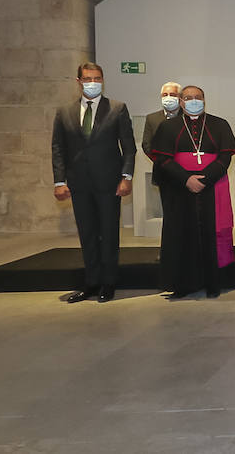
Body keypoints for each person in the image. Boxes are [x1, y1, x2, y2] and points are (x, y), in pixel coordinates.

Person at [51, 62, 135, 303]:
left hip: (110, 183)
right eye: (88, 79)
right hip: (79, 183)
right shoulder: (64, 112)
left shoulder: (117, 109)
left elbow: (128, 147)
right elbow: (58, 148)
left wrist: (126, 177)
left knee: (108, 233)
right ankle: (91, 282)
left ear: (103, 81)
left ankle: (108, 283)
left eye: (97, 79)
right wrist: (59, 181)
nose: (93, 83)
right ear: (78, 81)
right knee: (87, 233)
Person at [150, 86, 235, 298]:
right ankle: (184, 283)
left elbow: (225, 157)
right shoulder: (168, 126)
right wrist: (186, 179)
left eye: (197, 98)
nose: (193, 101)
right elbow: (163, 159)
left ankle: (212, 282)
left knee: (211, 234)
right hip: (179, 189)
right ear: (181, 102)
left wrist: (205, 179)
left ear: (204, 100)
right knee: (182, 233)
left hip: (212, 186)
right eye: (188, 98)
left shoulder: (219, 124)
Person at [141, 81, 182, 161]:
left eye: (173, 95)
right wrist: (160, 162)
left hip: (184, 167)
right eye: (165, 95)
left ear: (180, 97)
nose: (168, 97)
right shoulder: (152, 118)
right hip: (160, 166)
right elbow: (146, 144)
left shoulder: (187, 117)